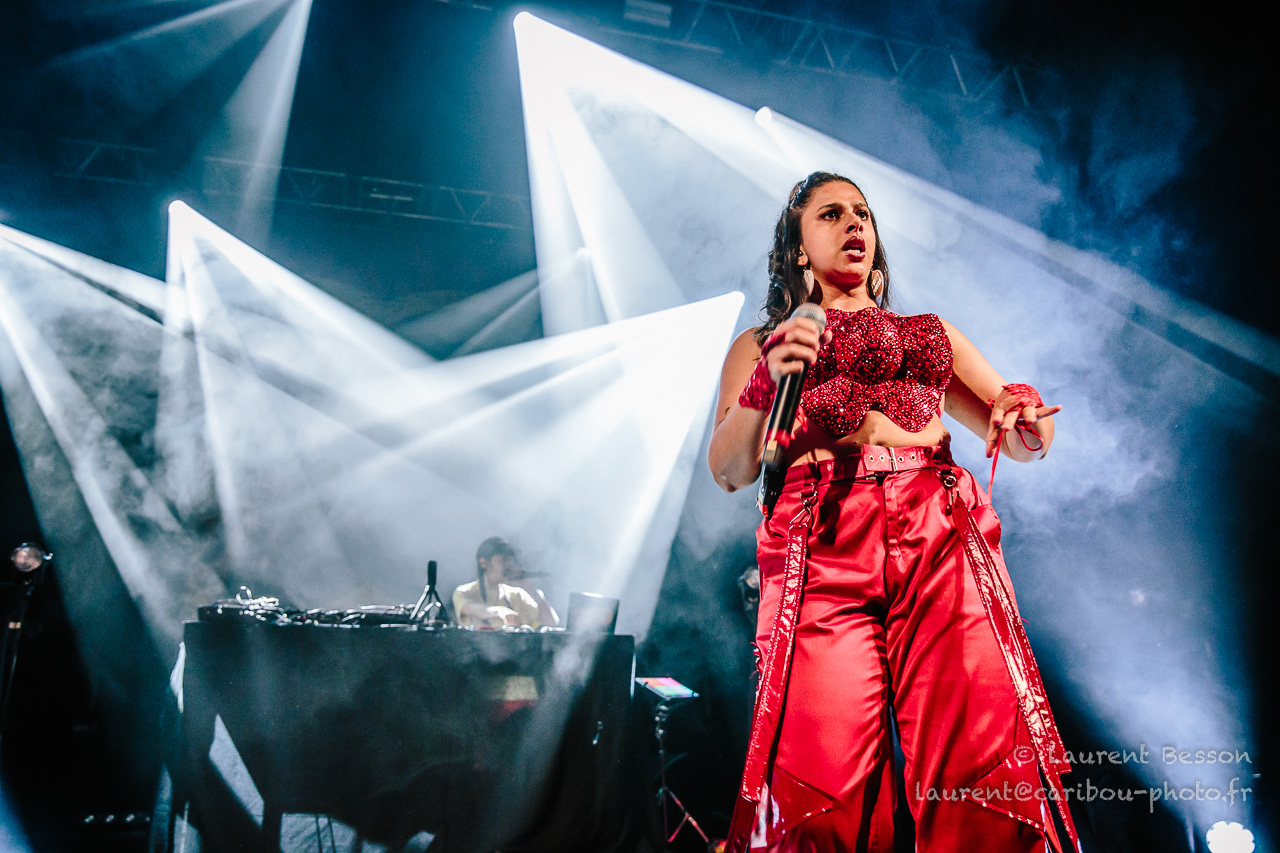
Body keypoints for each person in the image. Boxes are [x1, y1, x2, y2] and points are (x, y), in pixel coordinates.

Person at [708, 172, 1079, 853]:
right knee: (818, 780)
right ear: (797, 248)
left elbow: (1026, 438)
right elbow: (729, 471)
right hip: (823, 544)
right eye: (830, 214)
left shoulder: (928, 335)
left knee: (979, 765)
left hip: (939, 536)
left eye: (862, 213)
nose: (854, 223)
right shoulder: (764, 344)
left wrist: (1022, 413)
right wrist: (766, 377)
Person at [452, 537, 558, 629]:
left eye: (508, 560)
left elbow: (550, 622)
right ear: (484, 563)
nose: (508, 565)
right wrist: (500, 611)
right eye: (502, 560)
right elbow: (469, 608)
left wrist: (530, 587)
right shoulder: (465, 592)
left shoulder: (517, 595)